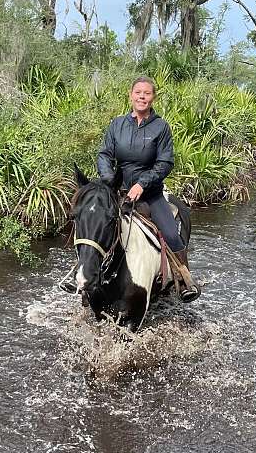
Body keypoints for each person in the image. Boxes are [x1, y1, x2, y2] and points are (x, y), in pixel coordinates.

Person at [65, 76, 200, 302]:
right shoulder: (117, 125)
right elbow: (105, 154)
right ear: (131, 95)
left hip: (150, 194)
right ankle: (80, 273)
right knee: (93, 226)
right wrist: (109, 180)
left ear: (153, 97)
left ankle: (183, 279)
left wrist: (141, 184)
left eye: (147, 93)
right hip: (119, 191)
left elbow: (164, 163)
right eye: (138, 92)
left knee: (171, 234)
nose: (142, 97)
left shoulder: (161, 127)